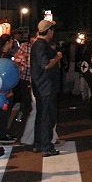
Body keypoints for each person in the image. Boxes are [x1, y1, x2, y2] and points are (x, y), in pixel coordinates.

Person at [30, 20, 63, 157]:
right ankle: (46, 146)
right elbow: (46, 65)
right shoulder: (41, 45)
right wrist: (57, 57)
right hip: (46, 86)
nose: (53, 32)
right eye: (52, 30)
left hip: (41, 85)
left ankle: (38, 143)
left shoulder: (38, 44)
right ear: (48, 31)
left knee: (42, 115)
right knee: (47, 116)